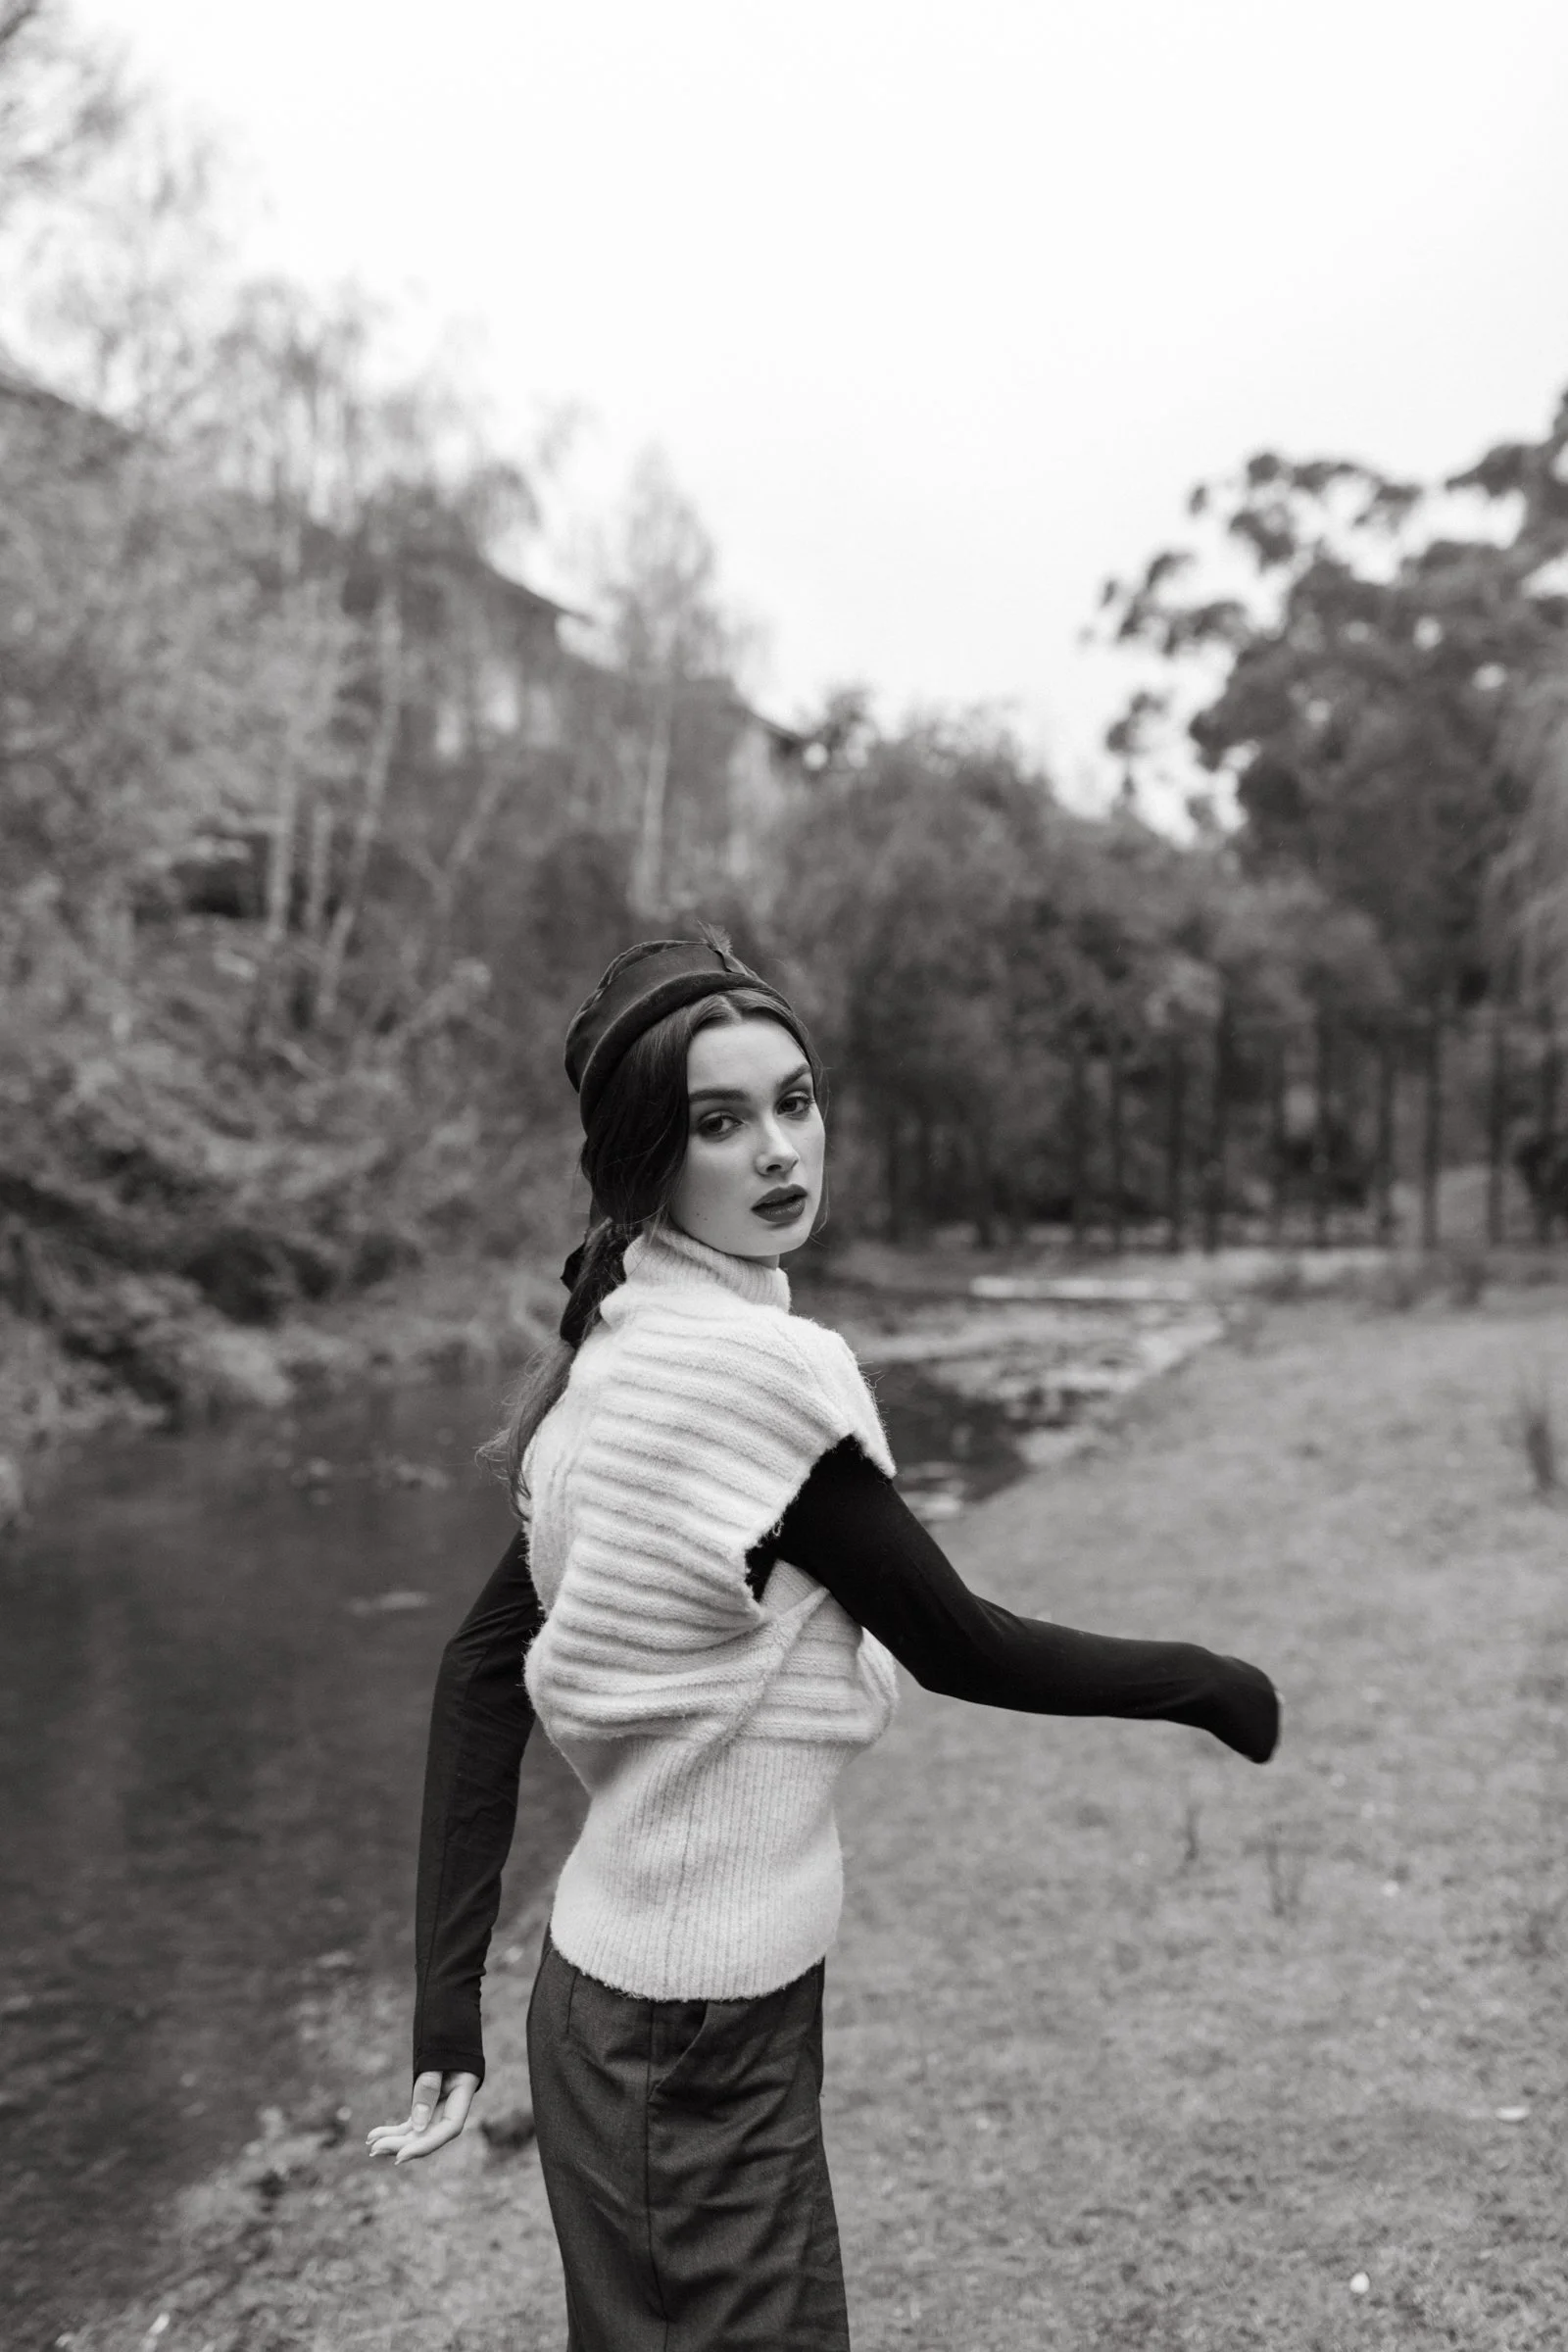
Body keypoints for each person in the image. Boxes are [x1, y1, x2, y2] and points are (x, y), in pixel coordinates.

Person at [367, 932, 1279, 2350]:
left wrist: (447, 2011)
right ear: (647, 1158)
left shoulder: (616, 1364)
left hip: (631, 2006)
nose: (779, 1152)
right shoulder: (748, 1386)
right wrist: (1215, 1685)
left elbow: (481, 1671)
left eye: (795, 1102)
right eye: (719, 1123)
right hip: (682, 2029)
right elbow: (962, 1644)